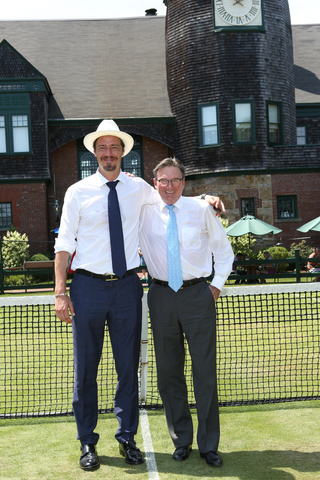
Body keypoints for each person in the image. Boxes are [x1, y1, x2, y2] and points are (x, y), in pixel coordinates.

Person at [54, 120, 225, 471]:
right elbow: (63, 245)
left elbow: (172, 194)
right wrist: (60, 292)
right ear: (95, 152)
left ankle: (126, 437)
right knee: (86, 370)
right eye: (102, 148)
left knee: (127, 368)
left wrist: (205, 198)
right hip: (86, 288)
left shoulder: (138, 189)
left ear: (123, 152)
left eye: (114, 147)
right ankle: (87, 442)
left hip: (128, 288)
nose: (108, 153)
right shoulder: (77, 192)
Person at [138, 157, 234, 467]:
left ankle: (208, 445)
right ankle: (181, 439)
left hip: (198, 296)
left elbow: (224, 252)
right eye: (163, 180)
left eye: (175, 180)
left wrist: (215, 287)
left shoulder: (202, 209)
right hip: (161, 296)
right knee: (168, 373)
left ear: (184, 183)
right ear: (155, 183)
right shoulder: (143, 209)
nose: (169, 186)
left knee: (204, 373)